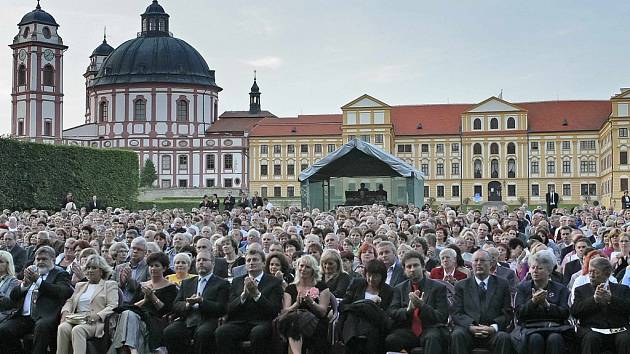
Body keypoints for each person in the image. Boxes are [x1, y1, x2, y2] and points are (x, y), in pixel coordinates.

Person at [0, 246, 73, 354]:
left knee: (41, 328)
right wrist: (24, 285)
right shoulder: (31, 272)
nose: (40, 262)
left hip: (45, 316)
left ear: (53, 259)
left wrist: (38, 281)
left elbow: (63, 291)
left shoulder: (60, 273)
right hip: (24, 317)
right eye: (38, 259)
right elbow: (13, 296)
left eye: (44, 259)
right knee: (4, 329)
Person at [215, 249, 283, 354]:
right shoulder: (237, 281)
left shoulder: (273, 282)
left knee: (257, 333)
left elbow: (273, 310)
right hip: (239, 322)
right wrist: (244, 296)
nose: (251, 262)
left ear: (264, 263)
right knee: (222, 332)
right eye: (248, 260)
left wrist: (256, 294)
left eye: (255, 260)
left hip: (262, 322)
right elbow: (229, 308)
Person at [109, 252, 177, 354]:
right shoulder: (143, 285)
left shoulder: (170, 287)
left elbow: (165, 310)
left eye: (156, 266)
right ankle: (132, 349)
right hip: (137, 317)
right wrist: (145, 300)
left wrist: (152, 297)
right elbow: (132, 306)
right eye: (150, 266)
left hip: (154, 320)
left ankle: (125, 348)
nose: (153, 268)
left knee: (128, 315)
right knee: (127, 313)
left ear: (164, 268)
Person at [163, 250, 230, 354]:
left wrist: (202, 301)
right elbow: (176, 305)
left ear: (213, 263)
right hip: (188, 318)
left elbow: (221, 308)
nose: (201, 262)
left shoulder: (222, 283)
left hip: (208, 319)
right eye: (198, 260)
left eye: (204, 260)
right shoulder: (187, 283)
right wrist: (187, 304)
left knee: (203, 334)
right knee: (170, 332)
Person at [451, 250, 514, 354]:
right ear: (472, 264)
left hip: (492, 332)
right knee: (457, 335)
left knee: (503, 337)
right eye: (476, 260)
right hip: (468, 331)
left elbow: (507, 312)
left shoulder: (502, 284)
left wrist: (493, 328)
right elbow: (456, 313)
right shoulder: (461, 286)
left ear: (491, 264)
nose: (479, 263)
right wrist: (470, 326)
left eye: (482, 260)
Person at [385, 251, 449, 354]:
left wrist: (422, 306)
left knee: (432, 338)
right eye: (409, 267)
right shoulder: (399, 289)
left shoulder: (438, 288)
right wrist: (408, 310)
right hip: (408, 330)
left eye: (416, 265)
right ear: (404, 270)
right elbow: (392, 311)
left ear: (423, 266)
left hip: (429, 328)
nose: (412, 269)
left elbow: (442, 316)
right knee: (391, 339)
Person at [512, 251, 572, 354]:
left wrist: (547, 306)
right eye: (533, 267)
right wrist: (533, 302)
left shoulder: (561, 289)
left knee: (555, 339)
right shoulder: (522, 288)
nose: (535, 271)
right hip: (529, 328)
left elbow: (565, 313)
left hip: (555, 327)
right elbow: (519, 313)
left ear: (549, 271)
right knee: (535, 338)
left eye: (540, 268)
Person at [57, 255, 118, 354]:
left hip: (95, 322)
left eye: (94, 268)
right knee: (62, 328)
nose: (90, 270)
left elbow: (113, 306)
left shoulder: (110, 285)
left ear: (101, 271)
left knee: (78, 330)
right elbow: (70, 301)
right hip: (76, 318)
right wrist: (65, 311)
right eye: (88, 267)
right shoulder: (80, 285)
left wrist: (96, 316)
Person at [571, 257, 630, 354]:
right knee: (591, 338)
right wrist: (594, 300)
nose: (591, 275)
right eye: (590, 272)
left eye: (595, 272)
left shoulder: (622, 289)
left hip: (618, 328)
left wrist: (611, 299)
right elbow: (575, 312)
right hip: (592, 329)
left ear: (607, 273)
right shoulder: (581, 290)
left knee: (625, 339)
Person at [277, 254, 332, 354]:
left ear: (313, 270)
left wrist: (311, 302)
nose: (303, 269)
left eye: (307, 267)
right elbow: (284, 312)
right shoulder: (290, 288)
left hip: (316, 321)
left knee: (293, 323)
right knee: (293, 320)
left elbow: (323, 312)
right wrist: (297, 304)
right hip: (292, 322)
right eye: (301, 266)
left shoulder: (322, 286)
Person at [340, 259, 393, 354]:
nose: (371, 279)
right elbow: (343, 306)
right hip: (353, 325)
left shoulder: (388, 291)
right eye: (369, 275)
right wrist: (366, 303)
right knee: (352, 316)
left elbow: (385, 316)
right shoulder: (357, 284)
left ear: (382, 277)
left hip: (374, 326)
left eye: (376, 276)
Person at [113, 237, 149, 305]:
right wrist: (121, 283)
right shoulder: (119, 267)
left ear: (145, 252)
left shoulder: (148, 268)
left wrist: (130, 280)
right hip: (117, 303)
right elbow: (111, 288)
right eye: (133, 248)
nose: (135, 251)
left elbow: (145, 291)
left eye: (139, 249)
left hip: (136, 305)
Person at [0, 250, 20, 323]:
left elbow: (9, 302)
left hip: (3, 312)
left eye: (0, 262)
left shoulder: (13, 281)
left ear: (8, 264)